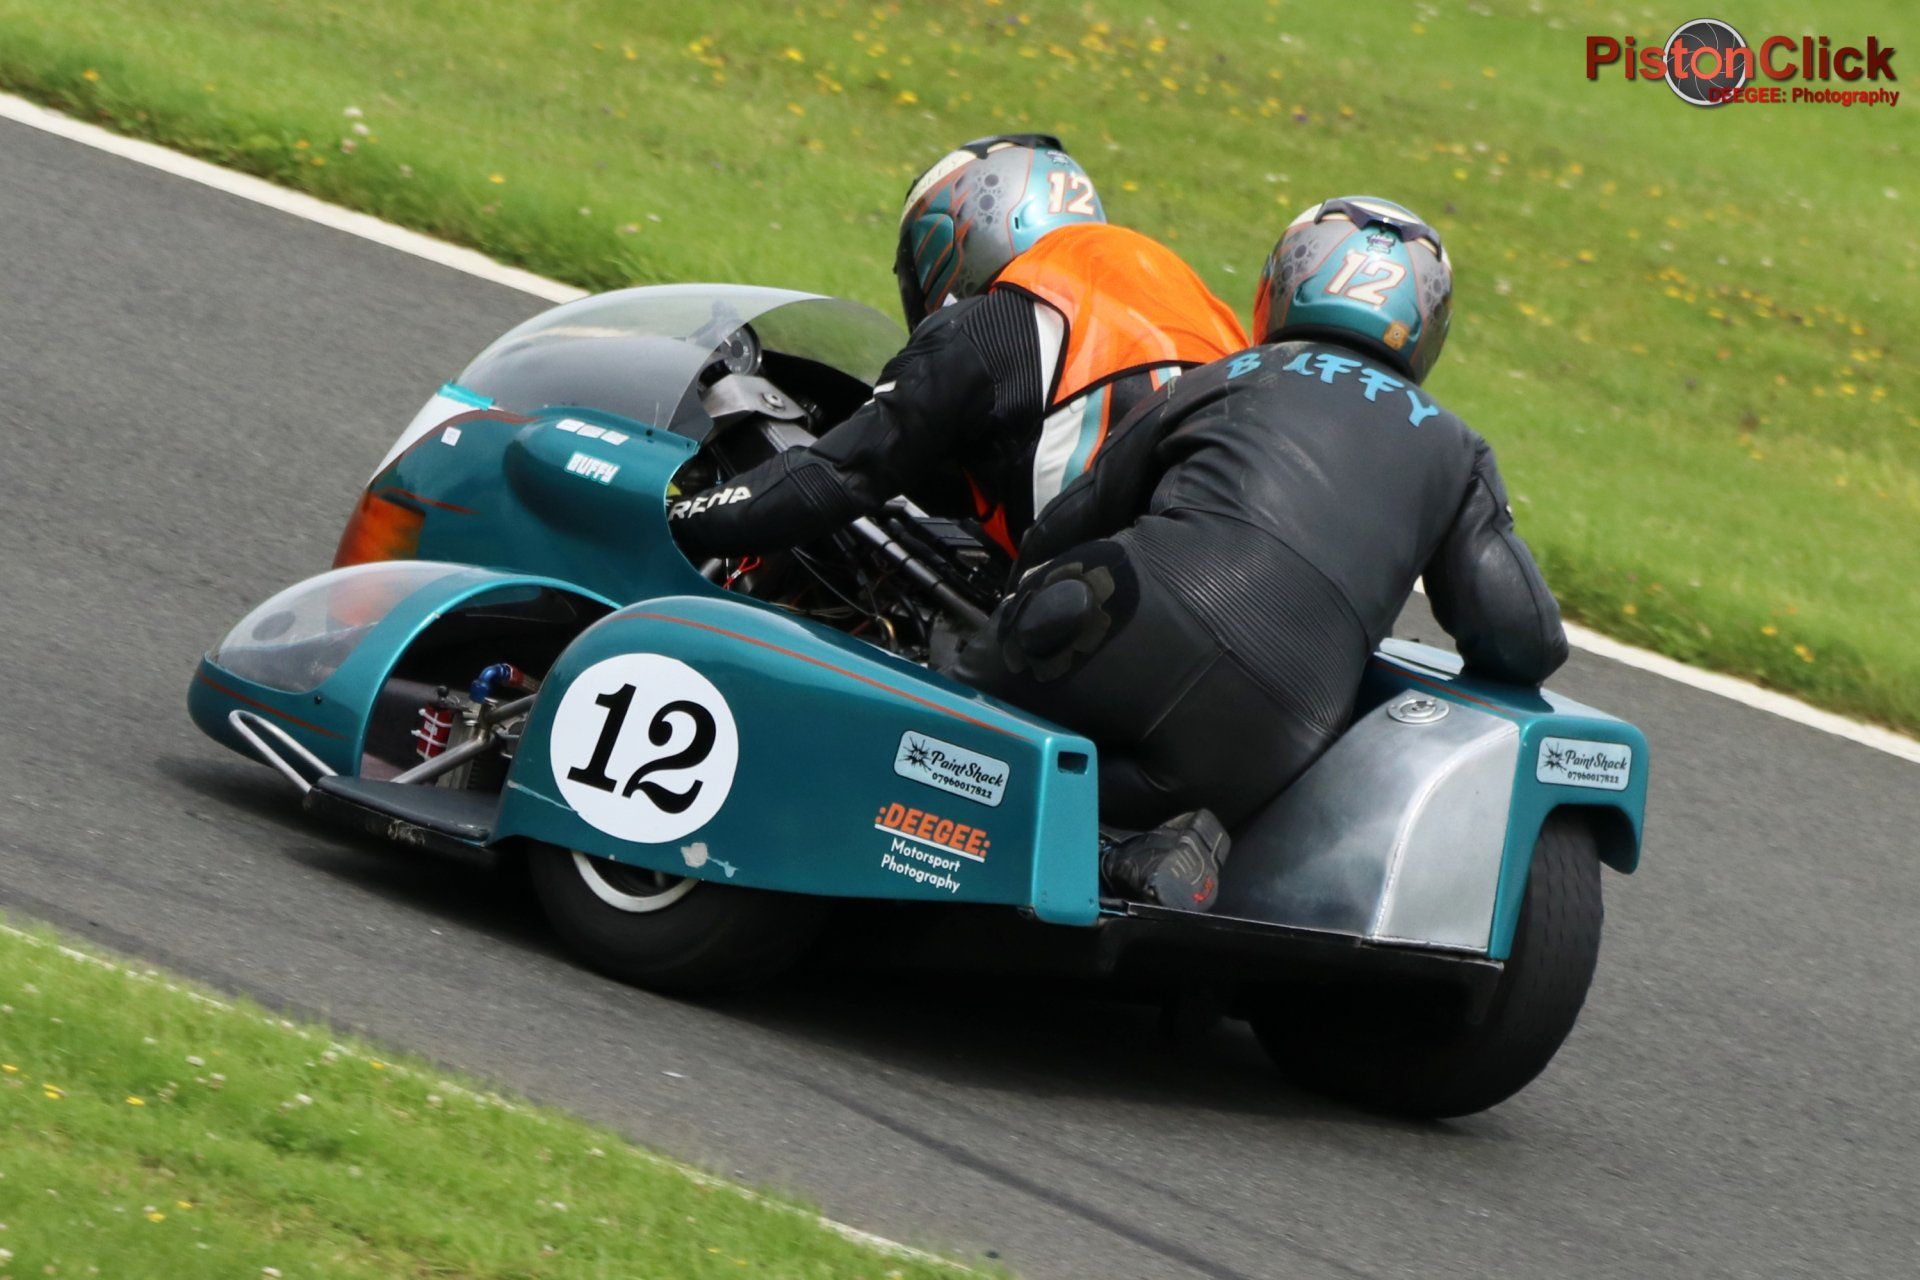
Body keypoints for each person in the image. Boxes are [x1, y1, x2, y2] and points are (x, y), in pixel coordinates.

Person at [669, 135, 1249, 910]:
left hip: (1117, 634)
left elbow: (839, 477)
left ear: (957, 236)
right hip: (1252, 642)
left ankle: (1071, 850)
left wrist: (685, 520)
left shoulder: (1004, 319)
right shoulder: (1196, 318)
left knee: (917, 651)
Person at [945, 196, 1569, 908]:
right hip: (1284, 726)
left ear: (1281, 285)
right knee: (1148, 782)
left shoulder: (1225, 376)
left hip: (1138, 630)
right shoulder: (1458, 447)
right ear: (1428, 327)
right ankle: (1130, 847)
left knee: (1034, 630)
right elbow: (1526, 638)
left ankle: (939, 768)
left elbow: (1068, 524)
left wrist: (1010, 605)